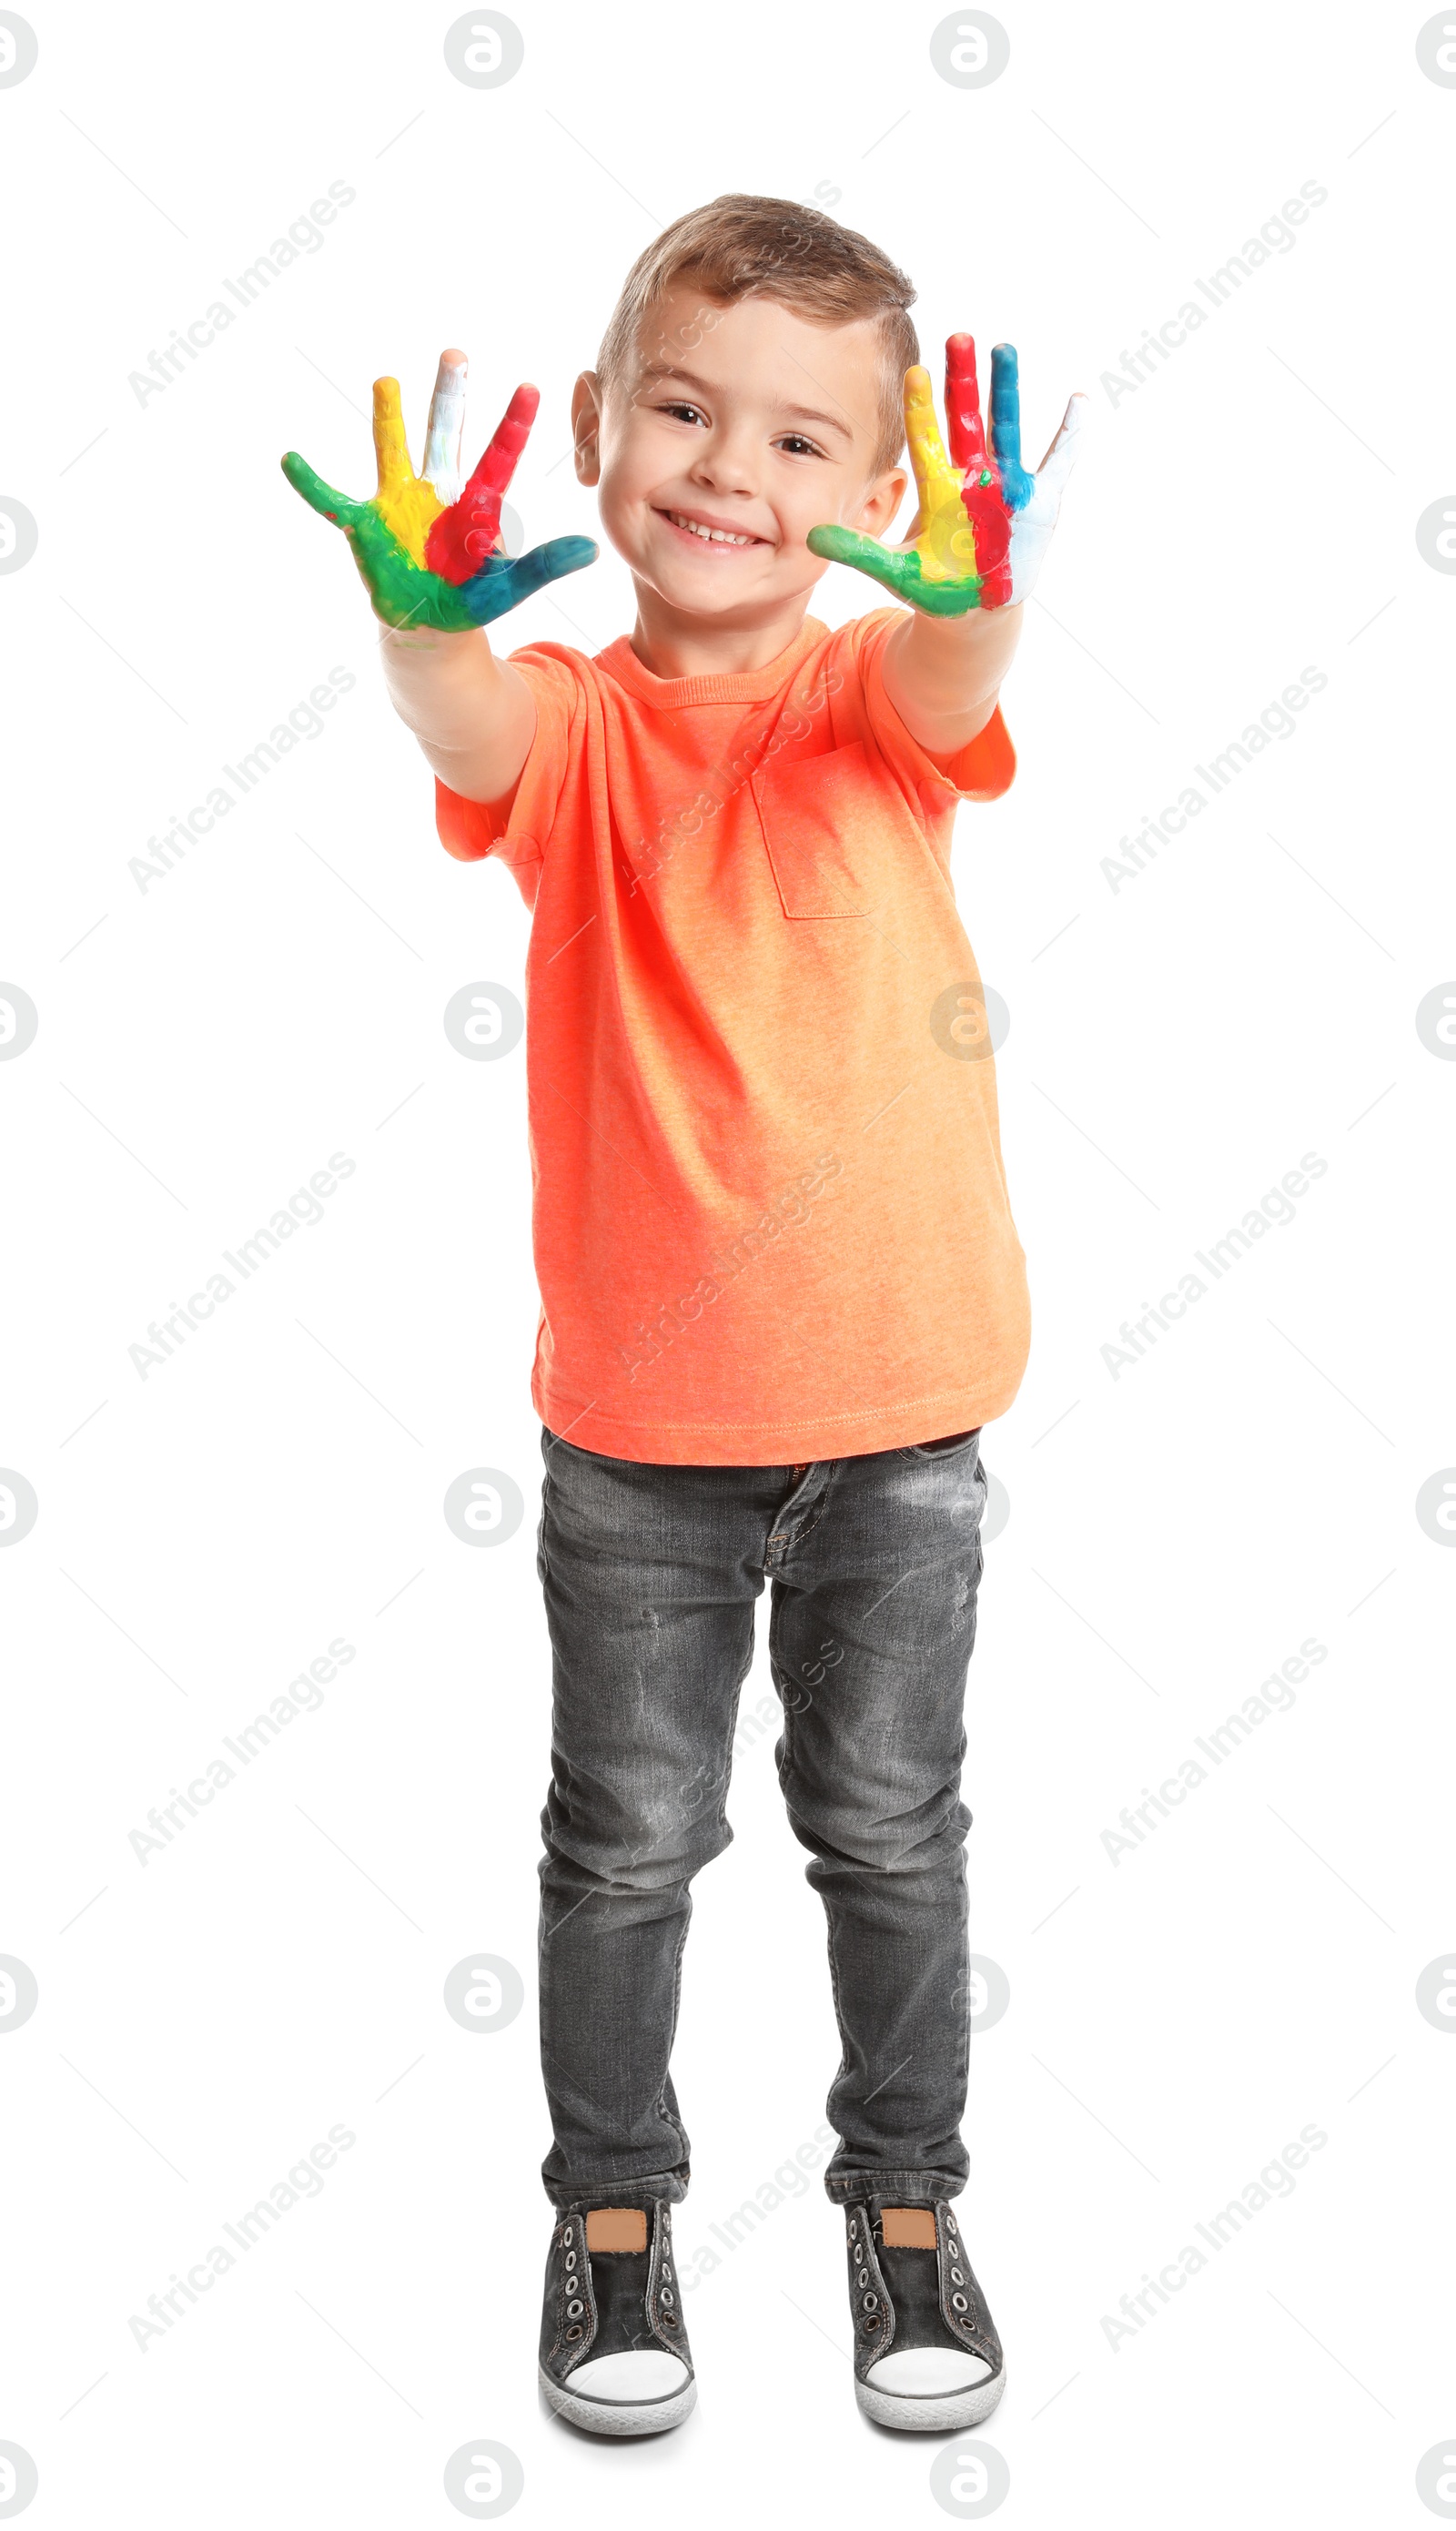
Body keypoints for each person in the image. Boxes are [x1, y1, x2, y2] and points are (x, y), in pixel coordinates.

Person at [283, 191, 1081, 2439]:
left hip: (902, 1408)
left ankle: (901, 2197)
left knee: (890, 1827)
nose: (731, 468)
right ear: (607, 432)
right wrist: (417, 620)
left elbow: (955, 673)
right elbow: (459, 715)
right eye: (682, 408)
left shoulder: (871, 694)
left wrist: (984, 588)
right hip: (638, 1426)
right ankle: (613, 2208)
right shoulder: (564, 731)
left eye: (805, 442)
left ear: (887, 493)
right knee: (625, 1842)